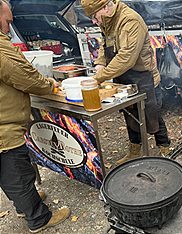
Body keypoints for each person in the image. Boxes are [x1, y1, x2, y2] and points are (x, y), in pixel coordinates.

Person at [0, 0, 70, 232]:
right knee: (16, 171)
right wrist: (49, 85)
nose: (10, 26)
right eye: (8, 20)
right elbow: (25, 77)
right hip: (3, 129)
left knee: (7, 173)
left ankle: (24, 204)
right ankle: (38, 217)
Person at [81, 0, 171, 163]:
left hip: (143, 75)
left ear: (105, 7)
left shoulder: (130, 20)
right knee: (130, 113)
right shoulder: (108, 21)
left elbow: (126, 57)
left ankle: (165, 148)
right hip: (123, 75)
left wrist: (99, 78)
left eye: (94, 16)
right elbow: (104, 43)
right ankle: (135, 151)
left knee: (152, 113)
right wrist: (100, 63)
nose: (94, 21)